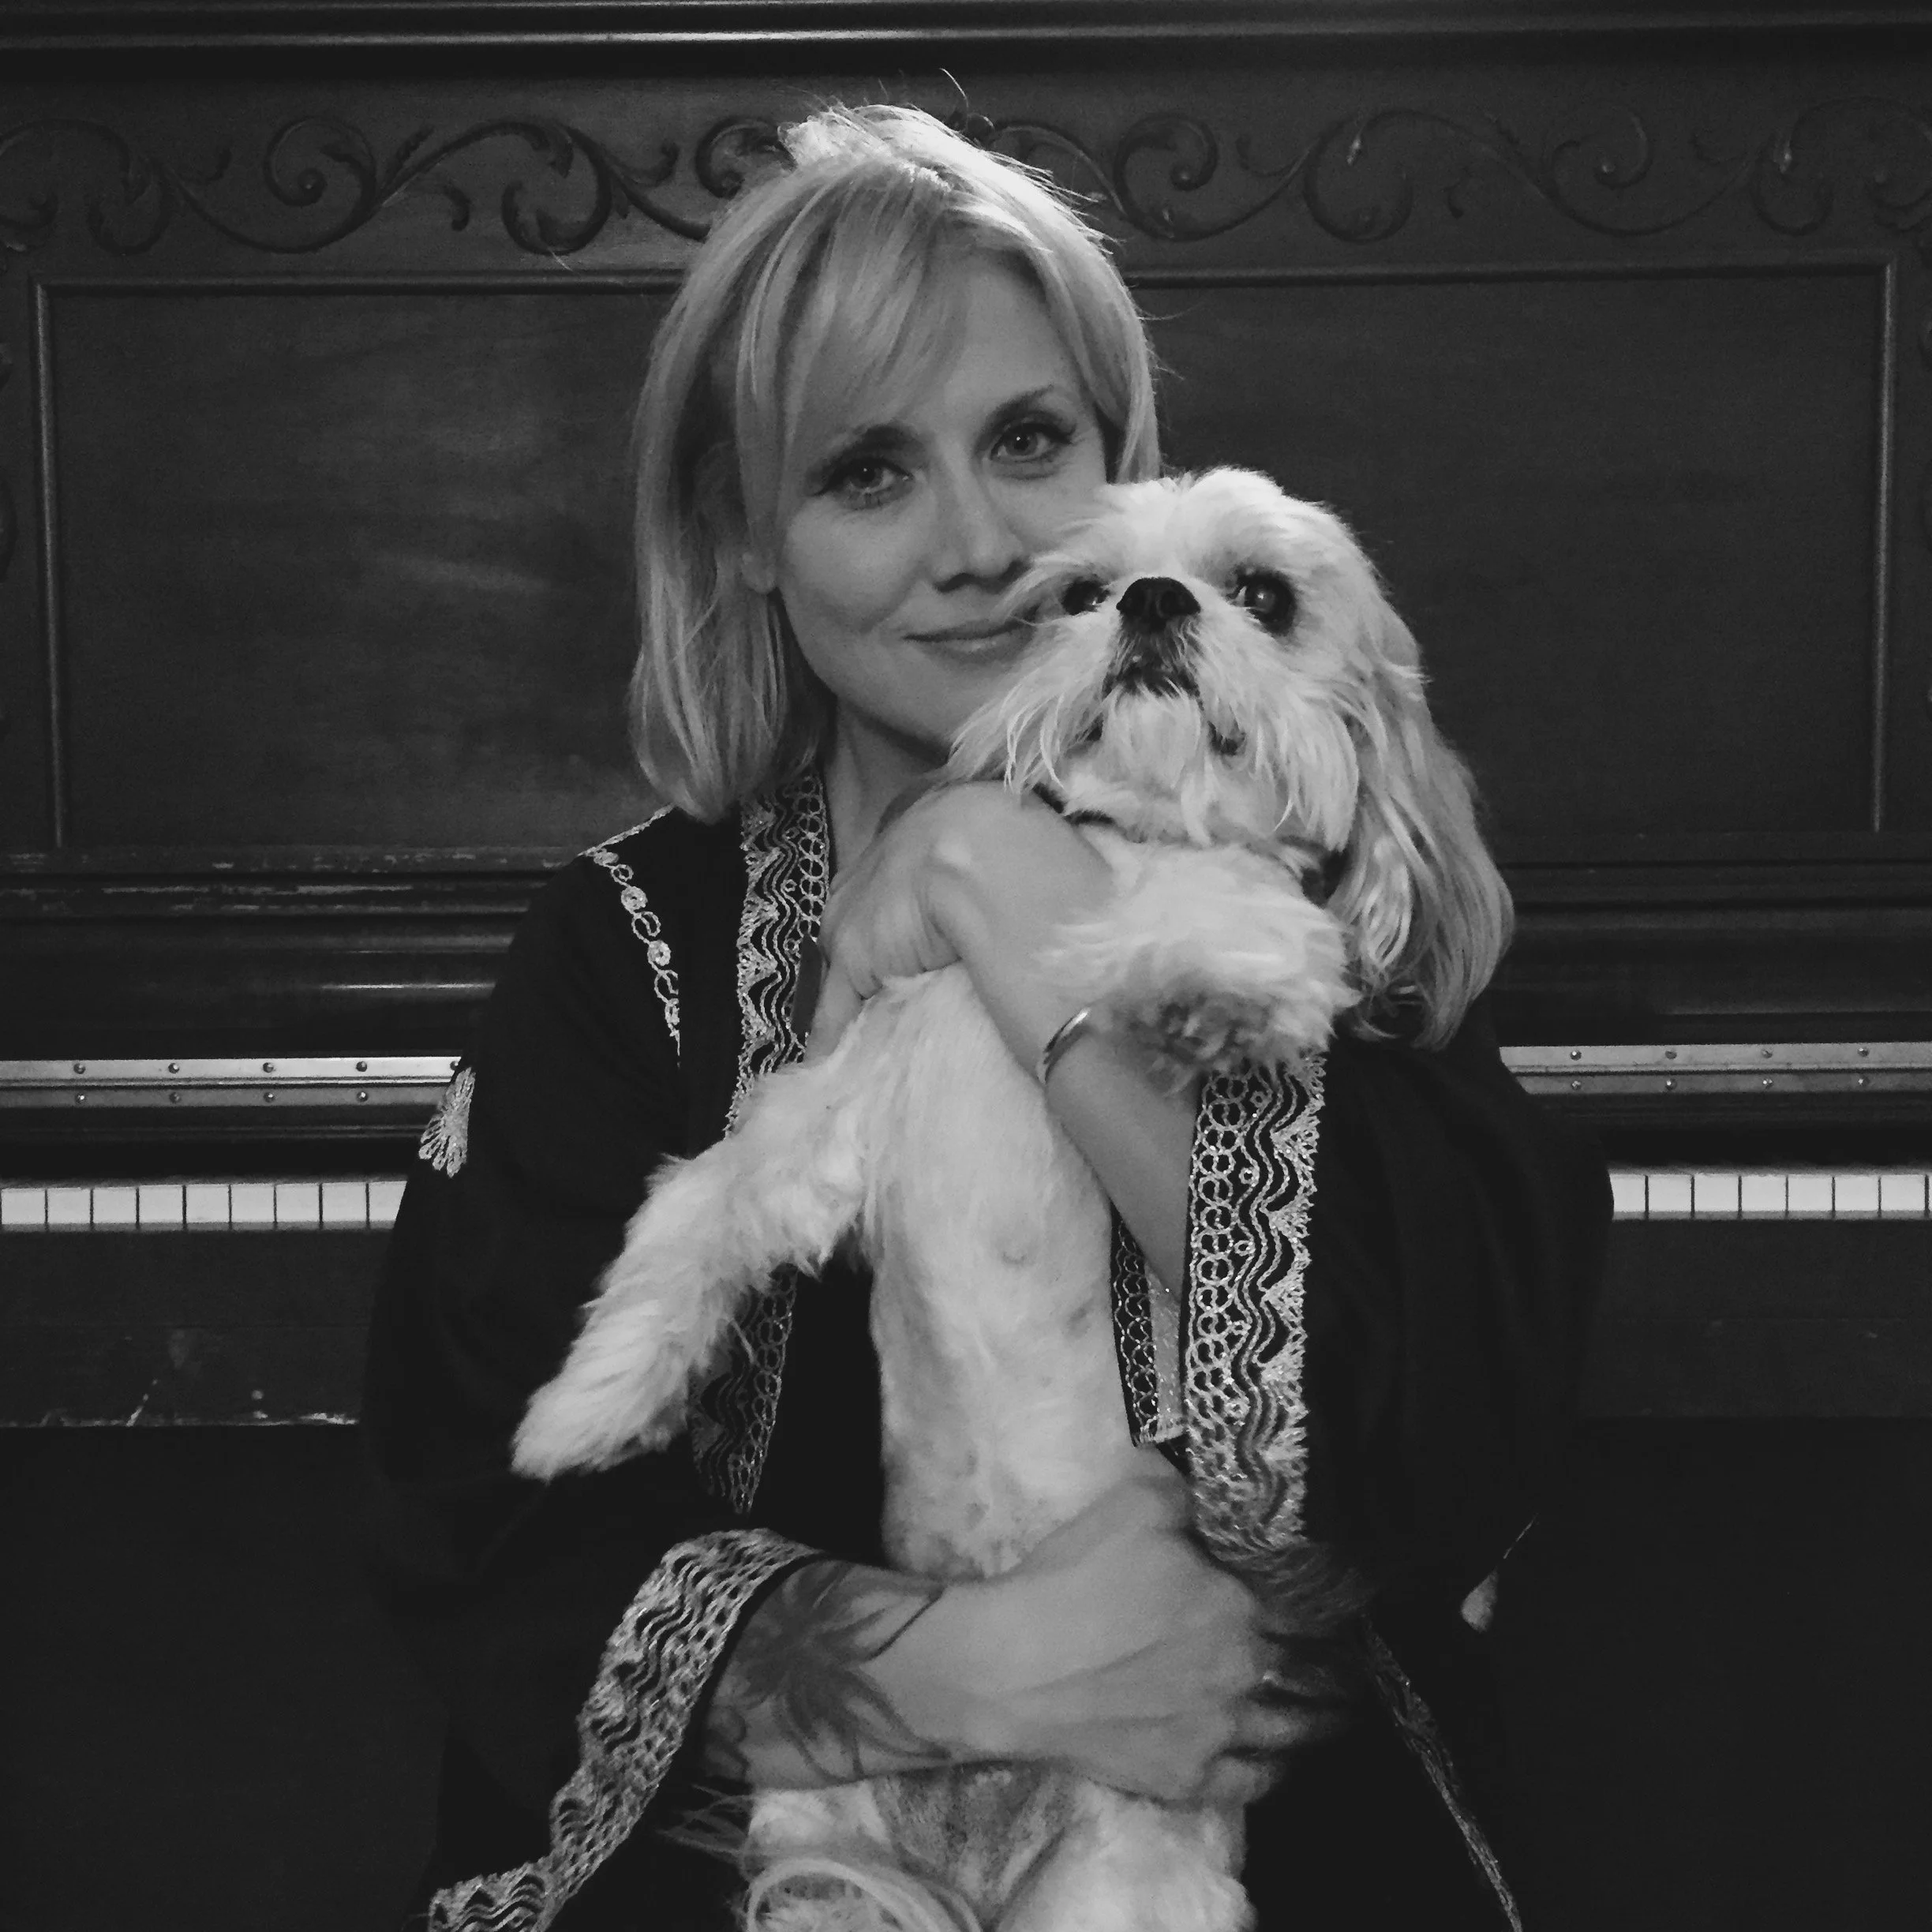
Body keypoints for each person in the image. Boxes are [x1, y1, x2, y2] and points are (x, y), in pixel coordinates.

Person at [361, 103, 1609, 1932]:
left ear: (1116, 451)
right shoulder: (628, 949)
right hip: (777, 1835)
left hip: (1266, 1827)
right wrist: (993, 1672)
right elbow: (490, 1519)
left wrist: (1005, 912)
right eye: (867, 474)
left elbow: (1447, 1429)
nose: (971, 546)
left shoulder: (1323, 857)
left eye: (1027, 441)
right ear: (744, 536)